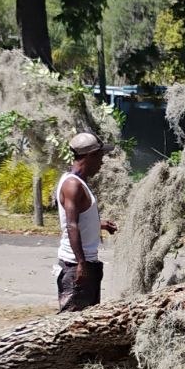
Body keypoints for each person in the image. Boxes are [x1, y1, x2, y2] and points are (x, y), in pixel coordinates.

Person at [55, 131, 117, 313]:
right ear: (90, 156)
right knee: (71, 325)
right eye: (100, 156)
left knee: (88, 324)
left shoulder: (78, 182)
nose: (102, 162)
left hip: (87, 263)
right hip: (76, 265)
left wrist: (100, 224)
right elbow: (71, 224)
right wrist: (81, 264)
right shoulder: (72, 185)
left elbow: (79, 220)